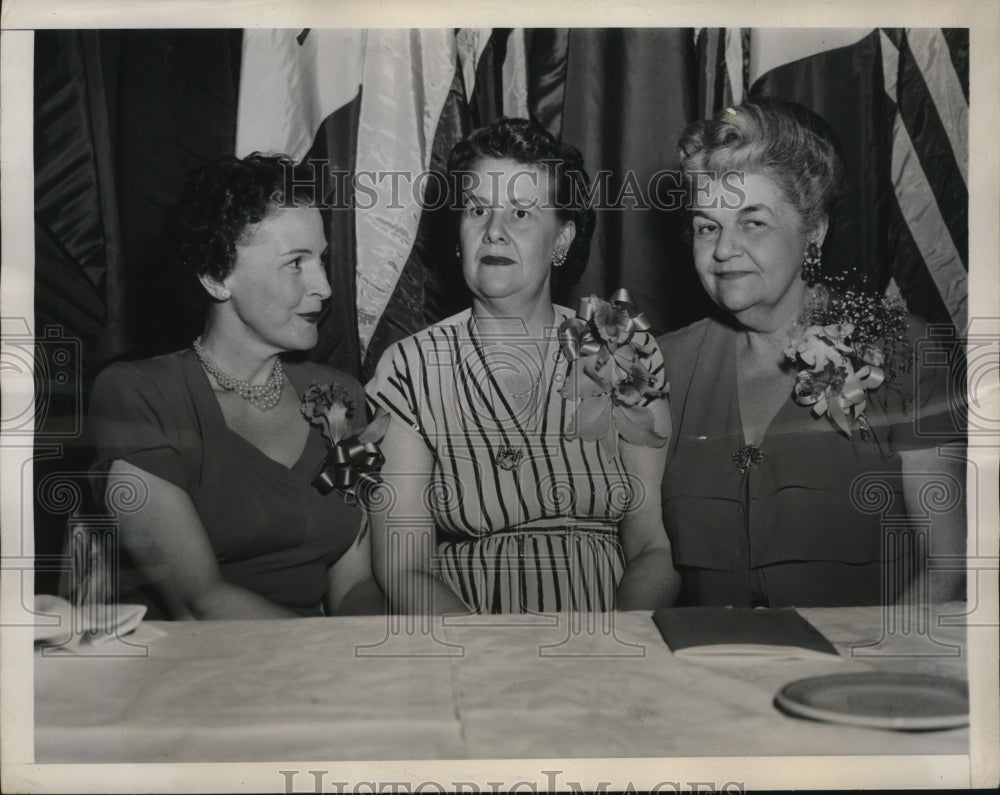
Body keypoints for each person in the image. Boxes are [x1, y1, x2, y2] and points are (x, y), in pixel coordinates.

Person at [660, 98, 966, 608]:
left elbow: (949, 569)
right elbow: (651, 559)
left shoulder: (904, 350)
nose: (723, 249)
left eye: (752, 222)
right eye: (707, 226)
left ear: (813, 233)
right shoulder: (666, 365)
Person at [365, 117, 679, 614]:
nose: (494, 233)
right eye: (477, 210)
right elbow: (405, 568)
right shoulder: (409, 368)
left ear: (562, 239)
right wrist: (488, 652)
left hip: (610, 631)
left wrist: (615, 642)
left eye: (521, 214)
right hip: (466, 634)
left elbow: (653, 546)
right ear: (458, 232)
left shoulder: (623, 349)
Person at [89, 153, 384, 619]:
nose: (325, 287)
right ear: (216, 276)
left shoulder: (341, 397)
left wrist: (381, 653)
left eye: (322, 259)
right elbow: (200, 602)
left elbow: (355, 586)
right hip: (193, 659)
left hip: (322, 660)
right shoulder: (139, 394)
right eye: (296, 263)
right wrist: (337, 656)